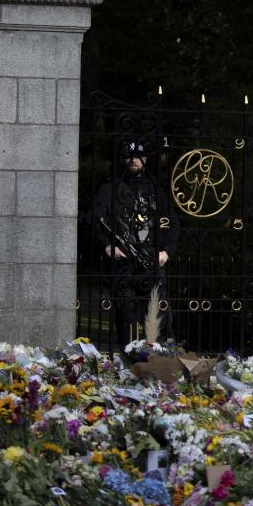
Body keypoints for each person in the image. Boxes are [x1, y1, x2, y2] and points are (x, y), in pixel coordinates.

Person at [90, 138, 177, 349]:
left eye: (138, 156)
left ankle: (162, 360)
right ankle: (128, 360)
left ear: (145, 158)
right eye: (129, 156)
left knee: (158, 316)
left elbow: (171, 222)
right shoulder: (109, 188)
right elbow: (95, 220)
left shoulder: (155, 189)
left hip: (151, 262)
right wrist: (107, 246)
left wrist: (166, 251)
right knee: (126, 319)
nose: (133, 160)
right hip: (124, 265)